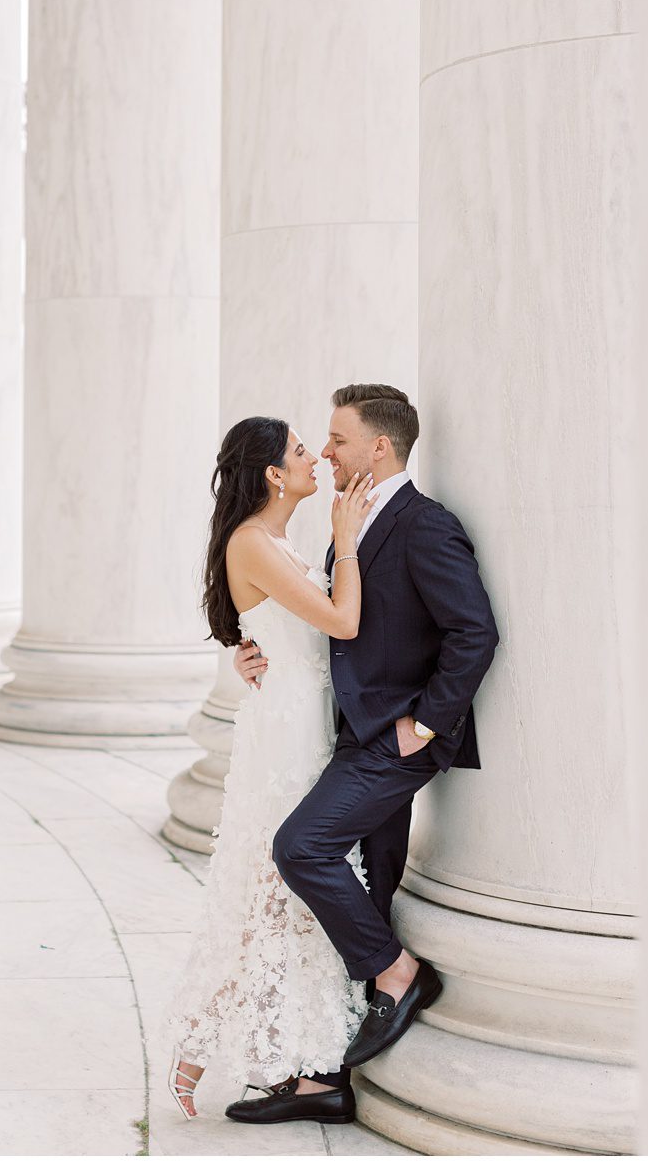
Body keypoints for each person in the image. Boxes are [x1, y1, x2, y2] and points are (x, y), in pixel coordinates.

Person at [235, 385, 497, 1105]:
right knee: (369, 889)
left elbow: (475, 631)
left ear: (377, 448)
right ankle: (328, 1077)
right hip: (349, 734)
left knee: (301, 847)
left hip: (395, 740)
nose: (325, 451)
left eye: (337, 438)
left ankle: (399, 973)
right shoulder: (348, 523)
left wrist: (427, 723)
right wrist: (257, 654)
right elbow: (328, 621)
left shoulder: (425, 524)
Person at [162, 417, 373, 1125]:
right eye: (299, 450)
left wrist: (248, 649)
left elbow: (287, 629)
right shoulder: (253, 541)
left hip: (303, 722)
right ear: (274, 475)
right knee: (267, 895)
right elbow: (342, 622)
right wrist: (347, 541)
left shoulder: (273, 542)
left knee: (289, 896)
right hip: (286, 740)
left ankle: (307, 1057)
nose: (314, 455)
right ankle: (206, 1041)